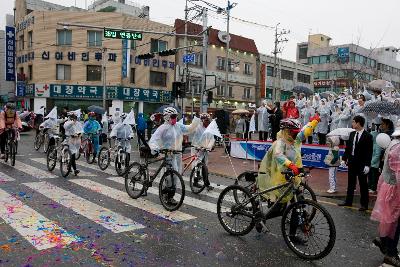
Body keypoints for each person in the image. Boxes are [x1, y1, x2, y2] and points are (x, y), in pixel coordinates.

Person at [256, 116, 320, 234]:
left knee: (298, 206)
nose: (296, 135)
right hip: (282, 179)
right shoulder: (280, 143)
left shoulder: (295, 140)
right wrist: (290, 165)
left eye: (296, 133)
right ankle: (261, 218)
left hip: (295, 179)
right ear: (286, 132)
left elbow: (305, 131)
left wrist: (314, 121)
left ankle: (292, 235)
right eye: (294, 133)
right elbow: (278, 155)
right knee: (280, 209)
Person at [148, 107, 200, 205]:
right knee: (170, 176)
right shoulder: (162, 128)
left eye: (176, 116)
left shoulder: (178, 126)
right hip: (168, 155)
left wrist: (196, 119)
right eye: (173, 116)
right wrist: (155, 148)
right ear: (167, 117)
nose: (175, 118)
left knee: (176, 175)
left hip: (177, 154)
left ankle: (169, 195)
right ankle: (167, 195)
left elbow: (189, 128)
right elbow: (154, 139)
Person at [371, 126, 400, 267]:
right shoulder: (398, 149)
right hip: (395, 189)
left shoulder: (393, 144)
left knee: (388, 220)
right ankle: (390, 255)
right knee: (395, 222)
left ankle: (383, 240)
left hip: (387, 187)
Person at [339, 115, 373, 211]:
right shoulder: (352, 134)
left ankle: (364, 204)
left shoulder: (368, 136)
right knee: (351, 183)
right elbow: (348, 148)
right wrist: (344, 159)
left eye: (353, 122)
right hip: (352, 162)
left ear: (358, 123)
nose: (352, 123)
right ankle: (348, 201)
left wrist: (367, 165)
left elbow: (369, 152)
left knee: (363, 184)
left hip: (362, 164)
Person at [190, 113, 215, 191]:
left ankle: (206, 184)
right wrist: (197, 146)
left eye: (209, 121)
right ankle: (195, 181)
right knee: (196, 166)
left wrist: (211, 146)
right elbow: (193, 136)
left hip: (204, 150)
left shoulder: (209, 128)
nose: (208, 122)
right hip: (197, 149)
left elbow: (212, 139)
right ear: (202, 120)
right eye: (206, 120)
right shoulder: (197, 127)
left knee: (204, 167)